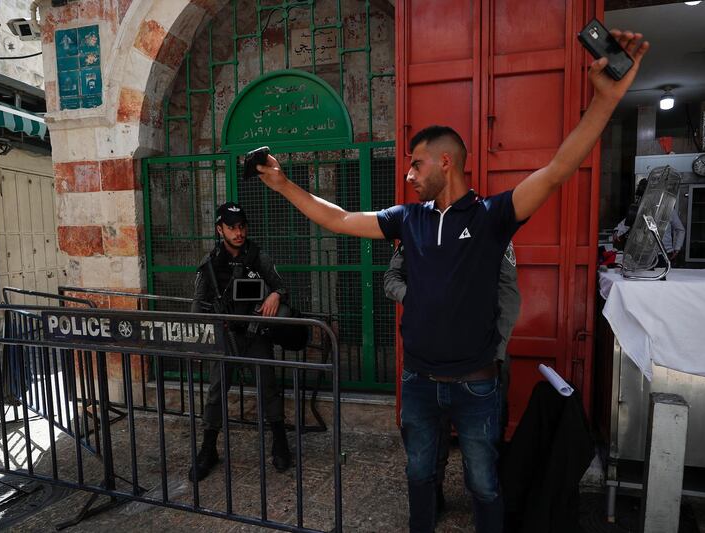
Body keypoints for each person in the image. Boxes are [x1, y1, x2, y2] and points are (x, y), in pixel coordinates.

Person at [255, 29, 648, 533]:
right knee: (419, 474)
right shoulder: (407, 219)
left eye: (416, 163)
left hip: (477, 386)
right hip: (418, 381)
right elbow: (338, 219)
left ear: (446, 161)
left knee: (484, 483)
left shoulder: (491, 217)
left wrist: (605, 99)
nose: (409, 175)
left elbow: (555, 170)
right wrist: (284, 183)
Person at [383, 241, 521, 519]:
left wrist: (497, 353)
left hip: (482, 359)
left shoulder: (490, 225)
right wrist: (414, 298)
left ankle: (487, 504)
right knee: (430, 437)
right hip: (429, 357)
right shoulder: (417, 228)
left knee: (485, 445)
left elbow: (508, 292)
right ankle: (434, 496)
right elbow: (391, 278)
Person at [189, 202, 292, 482]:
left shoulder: (259, 257)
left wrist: (275, 296)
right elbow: (198, 307)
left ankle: (280, 442)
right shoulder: (210, 264)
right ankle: (208, 449)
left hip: (255, 334)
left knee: (269, 388)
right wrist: (203, 340)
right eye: (232, 227)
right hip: (225, 337)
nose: (238, 232)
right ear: (219, 229)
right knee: (216, 393)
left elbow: (282, 285)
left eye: (242, 227)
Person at [612, 178, 686, 262]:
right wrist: (617, 232)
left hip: (663, 254)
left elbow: (680, 230)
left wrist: (677, 247)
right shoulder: (640, 209)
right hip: (641, 254)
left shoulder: (668, 210)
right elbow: (626, 223)